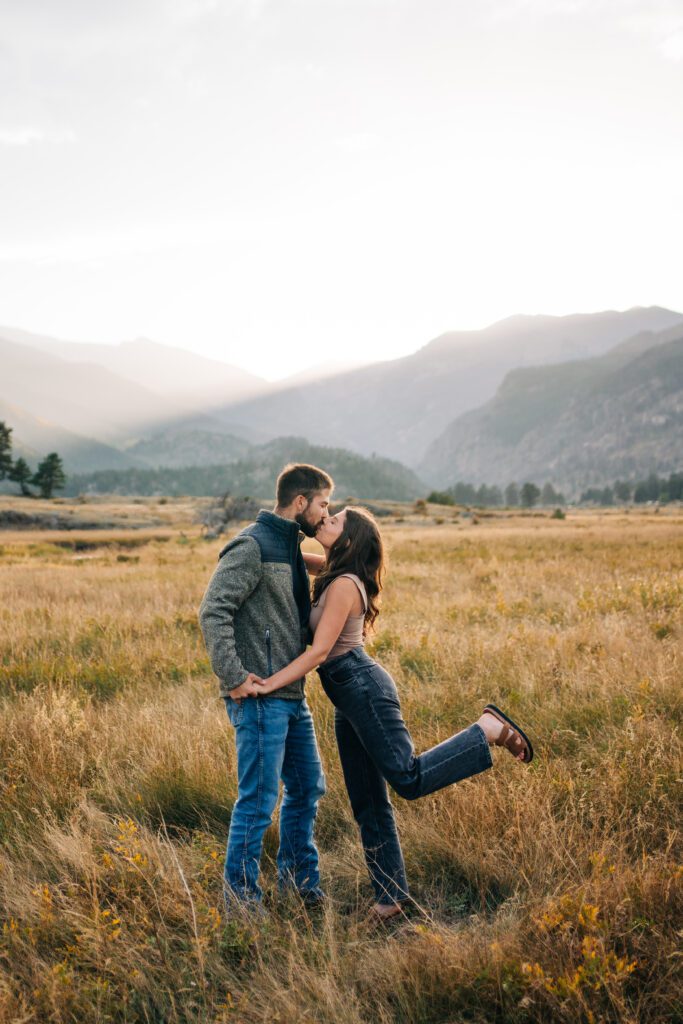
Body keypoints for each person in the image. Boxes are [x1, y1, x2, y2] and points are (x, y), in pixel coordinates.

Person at [253, 506, 534, 921]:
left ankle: (486, 729)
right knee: (367, 800)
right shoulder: (334, 571)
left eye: (335, 520)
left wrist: (269, 683)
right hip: (348, 696)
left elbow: (317, 653)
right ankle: (390, 899)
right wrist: (263, 540)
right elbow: (292, 561)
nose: (326, 519)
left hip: (362, 688)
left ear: (347, 540)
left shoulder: (346, 584)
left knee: (408, 777)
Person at [198, 463, 333, 908]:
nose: (325, 513)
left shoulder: (290, 545)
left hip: (292, 697)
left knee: (308, 788)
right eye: (323, 505)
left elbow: (328, 564)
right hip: (260, 698)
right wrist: (234, 677)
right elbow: (213, 611)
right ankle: (241, 903)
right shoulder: (252, 546)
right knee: (257, 803)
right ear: (300, 503)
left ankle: (298, 886)